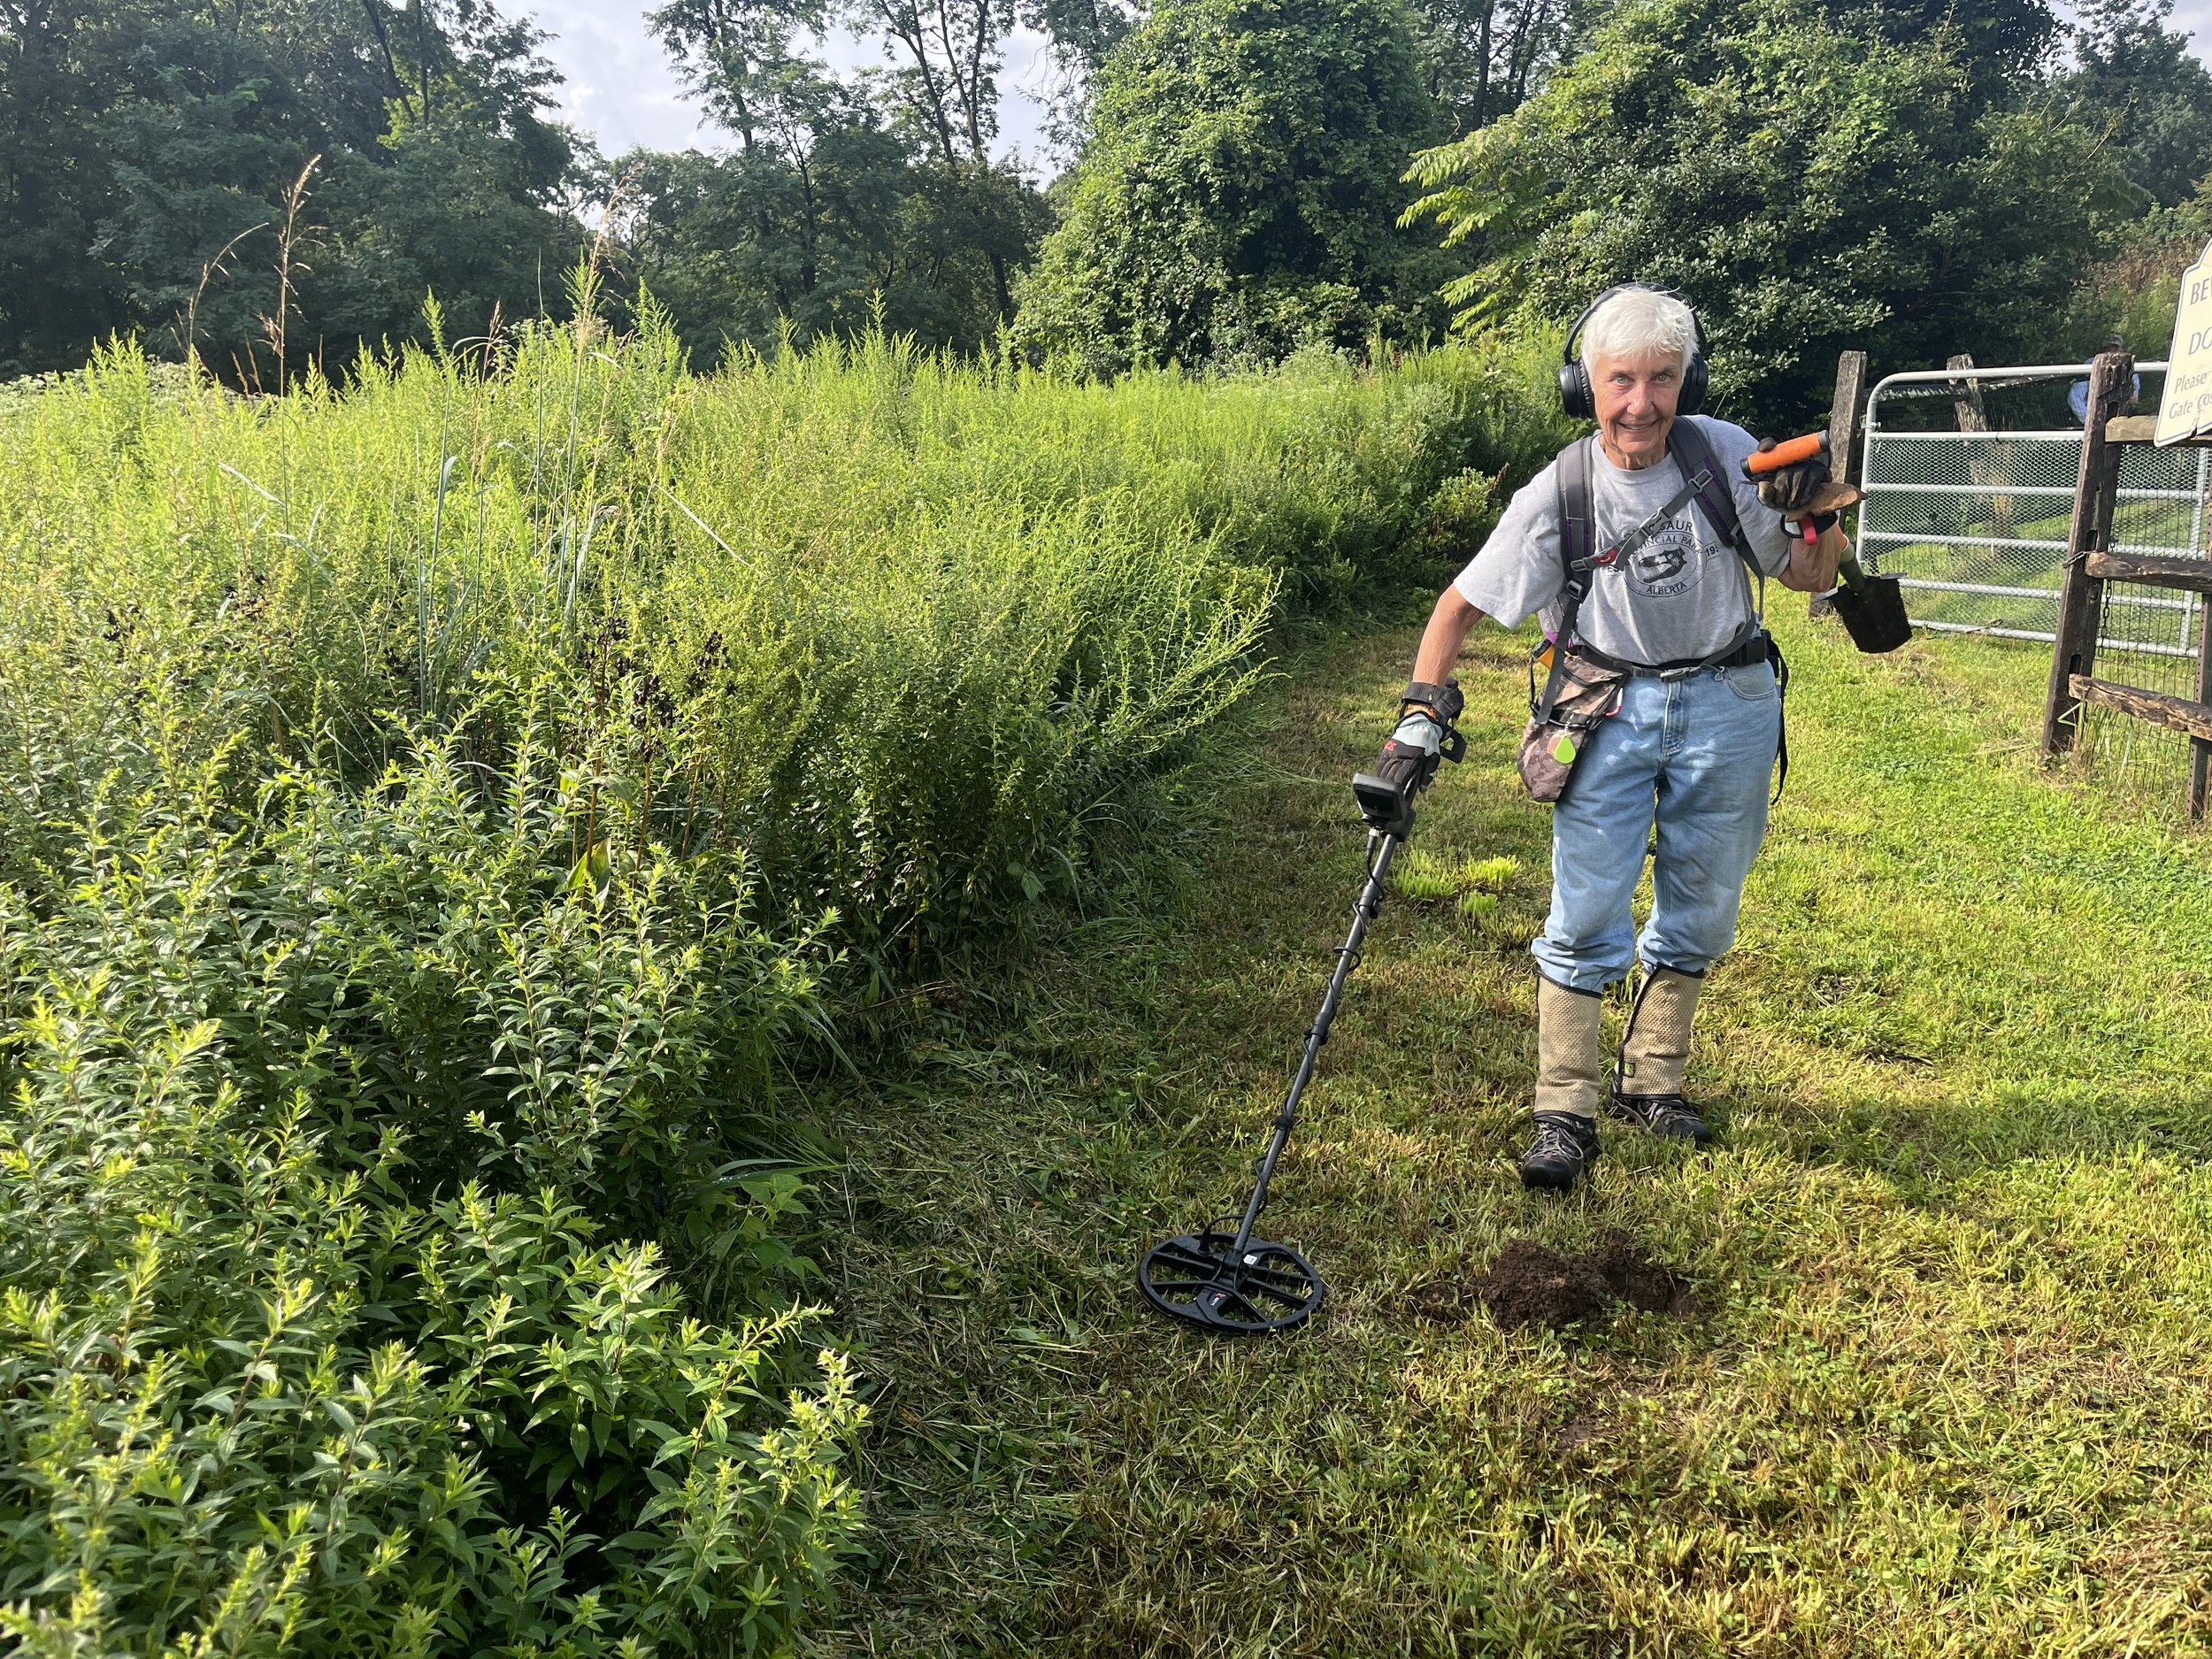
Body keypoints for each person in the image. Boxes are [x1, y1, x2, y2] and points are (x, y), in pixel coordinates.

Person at [1372, 285, 1849, 1191]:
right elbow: (1458, 605)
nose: (1641, 403)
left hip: (1729, 701)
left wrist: (1815, 515)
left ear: (1687, 380)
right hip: (1606, 714)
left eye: (1662, 379)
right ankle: (1565, 1110)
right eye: (1619, 380)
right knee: (1586, 912)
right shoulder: (1560, 490)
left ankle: (1652, 1083)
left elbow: (1803, 576)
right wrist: (1420, 711)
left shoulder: (1725, 455)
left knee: (1703, 904)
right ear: (1582, 385)